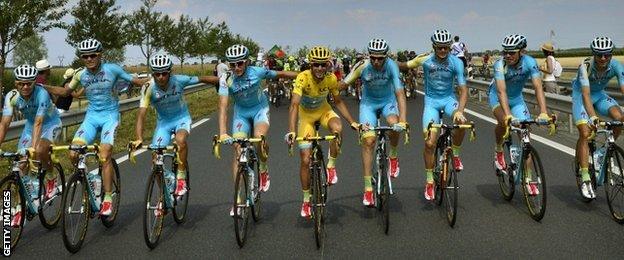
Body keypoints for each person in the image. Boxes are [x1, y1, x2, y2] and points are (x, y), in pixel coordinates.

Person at [43, 38, 148, 216]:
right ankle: (92, 180)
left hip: (110, 117)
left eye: (93, 55)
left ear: (100, 55)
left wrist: (152, 82)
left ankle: (107, 198)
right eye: (85, 56)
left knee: (105, 154)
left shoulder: (112, 69)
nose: (89, 59)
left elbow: (134, 81)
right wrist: (41, 86)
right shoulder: (80, 74)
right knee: (73, 153)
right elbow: (66, 92)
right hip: (91, 118)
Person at [217, 44, 298, 216]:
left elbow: (281, 74)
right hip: (241, 114)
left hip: (259, 110)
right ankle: (238, 200)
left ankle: (263, 168)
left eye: (240, 63)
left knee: (259, 137)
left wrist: (304, 76)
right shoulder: (226, 78)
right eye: (233, 64)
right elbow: (223, 106)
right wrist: (223, 132)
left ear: (246, 62)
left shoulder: (257, 72)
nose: (237, 68)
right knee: (237, 149)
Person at [134, 54, 219, 202]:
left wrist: (222, 81)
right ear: (153, 74)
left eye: (164, 73)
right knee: (156, 160)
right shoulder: (148, 87)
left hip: (181, 119)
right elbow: (141, 114)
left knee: (180, 140)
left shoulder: (179, 80)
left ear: (170, 72)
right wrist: (139, 138)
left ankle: (180, 178)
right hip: (163, 124)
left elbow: (201, 78)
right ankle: (164, 195)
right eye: (157, 74)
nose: (160, 77)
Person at [285, 46, 358, 218]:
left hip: (324, 112)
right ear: (310, 65)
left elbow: (338, 102)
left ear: (327, 65)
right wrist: (291, 131)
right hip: (307, 118)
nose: (319, 69)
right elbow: (294, 105)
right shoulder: (302, 78)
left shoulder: (331, 79)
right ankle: (305, 200)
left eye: (323, 65)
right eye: (316, 65)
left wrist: (352, 122)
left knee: (337, 129)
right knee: (305, 158)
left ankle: (331, 166)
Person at [399, 29, 468, 201]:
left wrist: (460, 110)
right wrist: (385, 61)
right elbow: (404, 66)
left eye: (446, 48)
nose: (443, 51)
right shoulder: (425, 59)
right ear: (434, 47)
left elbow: (463, 90)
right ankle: (430, 180)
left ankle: (456, 154)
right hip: (431, 103)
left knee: (461, 123)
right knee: (430, 143)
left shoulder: (456, 62)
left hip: (448, 100)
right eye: (439, 48)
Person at [341, 38, 407, 207]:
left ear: (386, 57)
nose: (376, 62)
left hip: (388, 101)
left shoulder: (391, 65)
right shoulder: (362, 66)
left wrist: (404, 120)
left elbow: (400, 93)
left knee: (395, 125)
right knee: (369, 141)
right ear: (369, 56)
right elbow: (342, 84)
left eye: (380, 58)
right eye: (373, 58)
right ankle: (368, 189)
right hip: (368, 104)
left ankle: (393, 156)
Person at [0, 65, 63, 226]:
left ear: (35, 82)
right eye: (21, 83)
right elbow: (5, 124)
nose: (25, 87)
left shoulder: (41, 93)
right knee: (20, 165)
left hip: (50, 124)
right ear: (16, 83)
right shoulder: (11, 96)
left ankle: (51, 177)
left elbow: (39, 122)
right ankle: (21, 206)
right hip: (29, 128)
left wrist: (33, 151)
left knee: (40, 151)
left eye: (29, 83)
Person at [489, 34, 551, 196]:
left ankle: (528, 178)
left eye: (512, 52)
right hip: (497, 97)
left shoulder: (530, 62)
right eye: (505, 52)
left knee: (525, 135)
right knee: (504, 122)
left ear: (521, 51)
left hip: (516, 100)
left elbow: (538, 88)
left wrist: (543, 112)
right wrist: (509, 116)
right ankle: (498, 151)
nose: (507, 55)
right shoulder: (499, 65)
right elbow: (501, 91)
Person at [573, 37, 624, 199]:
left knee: (619, 117)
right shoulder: (585, 66)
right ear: (594, 54)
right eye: (599, 55)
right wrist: (593, 116)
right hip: (582, 96)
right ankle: (586, 178)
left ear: (611, 55)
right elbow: (586, 94)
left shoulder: (616, 65)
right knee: (585, 132)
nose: (603, 58)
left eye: (607, 55)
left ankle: (601, 152)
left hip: (599, 95)